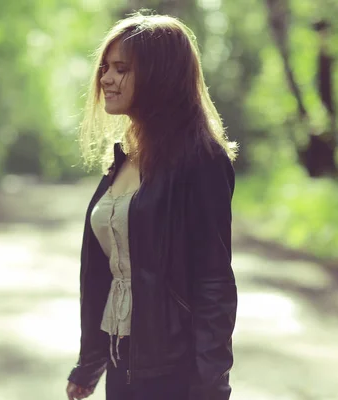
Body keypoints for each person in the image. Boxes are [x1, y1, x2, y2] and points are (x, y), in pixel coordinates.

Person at [66, 10, 238, 400]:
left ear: (159, 74)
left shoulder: (201, 159)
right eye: (105, 68)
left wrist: (211, 388)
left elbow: (214, 283)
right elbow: (104, 273)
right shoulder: (124, 159)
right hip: (121, 360)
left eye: (121, 69)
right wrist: (90, 361)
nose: (105, 78)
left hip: (173, 371)